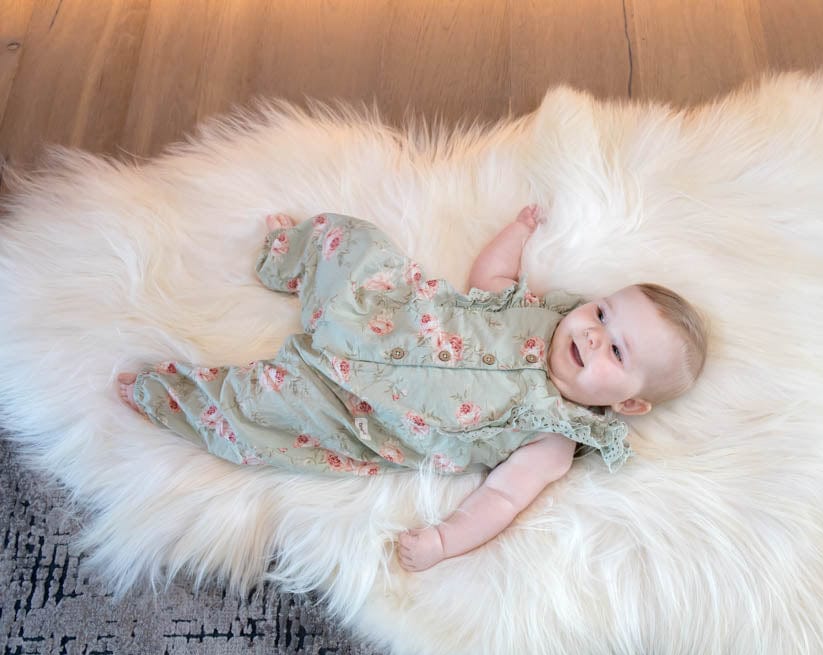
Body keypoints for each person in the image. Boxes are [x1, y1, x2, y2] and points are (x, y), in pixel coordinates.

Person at [117, 206, 708, 571]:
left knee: (260, 413)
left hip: (360, 410)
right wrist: (516, 231)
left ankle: (167, 397)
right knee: (347, 237)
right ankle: (285, 257)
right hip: (381, 313)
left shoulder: (553, 438)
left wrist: (445, 542)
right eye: (603, 314)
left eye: (617, 351)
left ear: (627, 403)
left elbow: (501, 500)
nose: (594, 335)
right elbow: (489, 279)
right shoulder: (542, 312)